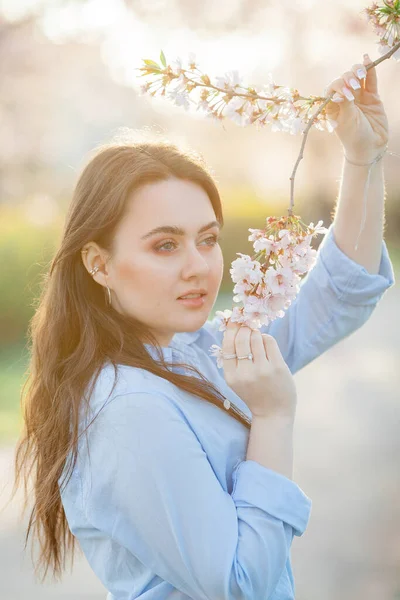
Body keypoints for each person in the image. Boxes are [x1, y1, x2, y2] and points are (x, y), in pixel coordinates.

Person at [11, 58, 395, 599]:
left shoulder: (195, 351)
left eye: (208, 239)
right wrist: (272, 415)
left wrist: (364, 155)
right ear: (98, 264)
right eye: (165, 245)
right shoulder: (127, 409)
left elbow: (339, 293)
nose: (198, 266)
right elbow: (238, 586)